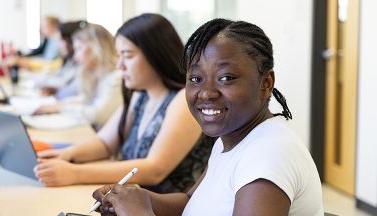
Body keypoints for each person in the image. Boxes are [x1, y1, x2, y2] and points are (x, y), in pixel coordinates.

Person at [92, 18, 324, 215]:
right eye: (196, 78)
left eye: (226, 78)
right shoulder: (232, 138)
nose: (206, 93)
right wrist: (137, 198)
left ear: (266, 83)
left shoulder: (270, 155)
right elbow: (190, 203)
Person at [34, 13, 214, 194]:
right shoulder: (140, 95)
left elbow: (154, 170)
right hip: (133, 202)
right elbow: (105, 143)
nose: (120, 66)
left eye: (127, 56)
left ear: (156, 55)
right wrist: (66, 155)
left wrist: (75, 173)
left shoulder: (183, 100)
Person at [34, 22, 122, 128]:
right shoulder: (94, 75)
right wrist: (57, 105)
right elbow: (85, 100)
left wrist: (59, 107)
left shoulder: (116, 78)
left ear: (96, 48)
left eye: (79, 49)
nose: (75, 57)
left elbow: (98, 114)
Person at [37, 20, 85, 99]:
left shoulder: (81, 66)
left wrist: (56, 91)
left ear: (70, 42)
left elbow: (70, 90)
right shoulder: (69, 61)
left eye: (61, 40)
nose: (58, 45)